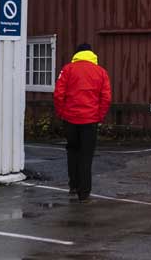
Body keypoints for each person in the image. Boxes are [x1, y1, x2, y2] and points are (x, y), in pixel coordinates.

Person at [53, 43, 112, 202]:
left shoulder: (67, 69)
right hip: (90, 120)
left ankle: (73, 186)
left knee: (72, 151)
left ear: (77, 54)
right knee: (86, 155)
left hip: (70, 119)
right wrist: (99, 116)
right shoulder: (101, 72)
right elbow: (106, 98)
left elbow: (58, 94)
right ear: (91, 54)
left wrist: (62, 113)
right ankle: (84, 193)